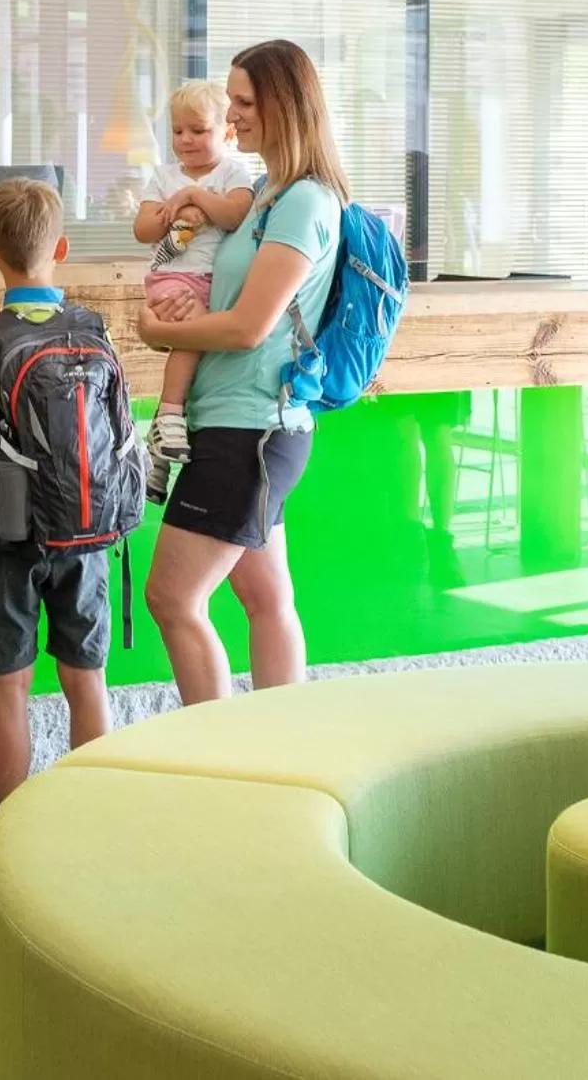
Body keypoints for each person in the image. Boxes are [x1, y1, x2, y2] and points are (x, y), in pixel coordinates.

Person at [135, 40, 349, 706]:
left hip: (248, 429)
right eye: (231, 99)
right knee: (263, 596)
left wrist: (157, 330)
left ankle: (225, 758)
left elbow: (249, 326)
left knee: (171, 597)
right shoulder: (262, 192)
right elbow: (209, 280)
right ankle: (281, 756)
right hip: (241, 422)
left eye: (245, 101)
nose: (232, 114)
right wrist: (175, 286)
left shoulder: (304, 203)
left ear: (285, 107)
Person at [0, 177, 116, 876]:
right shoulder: (95, 331)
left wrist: (9, 483)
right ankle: (89, 828)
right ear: (62, 248)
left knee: (10, 684)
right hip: (88, 531)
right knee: (87, 679)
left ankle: (9, 838)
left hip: (8, 537)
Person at [132, 79, 258, 503]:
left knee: (200, 352)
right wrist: (174, 214)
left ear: (227, 131)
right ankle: (167, 414)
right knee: (193, 336)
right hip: (173, 279)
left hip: (213, 286)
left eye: (198, 130)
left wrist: (194, 196)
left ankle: (160, 458)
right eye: (178, 130)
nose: (185, 140)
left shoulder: (234, 174)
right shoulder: (163, 177)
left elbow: (235, 214)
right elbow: (143, 230)